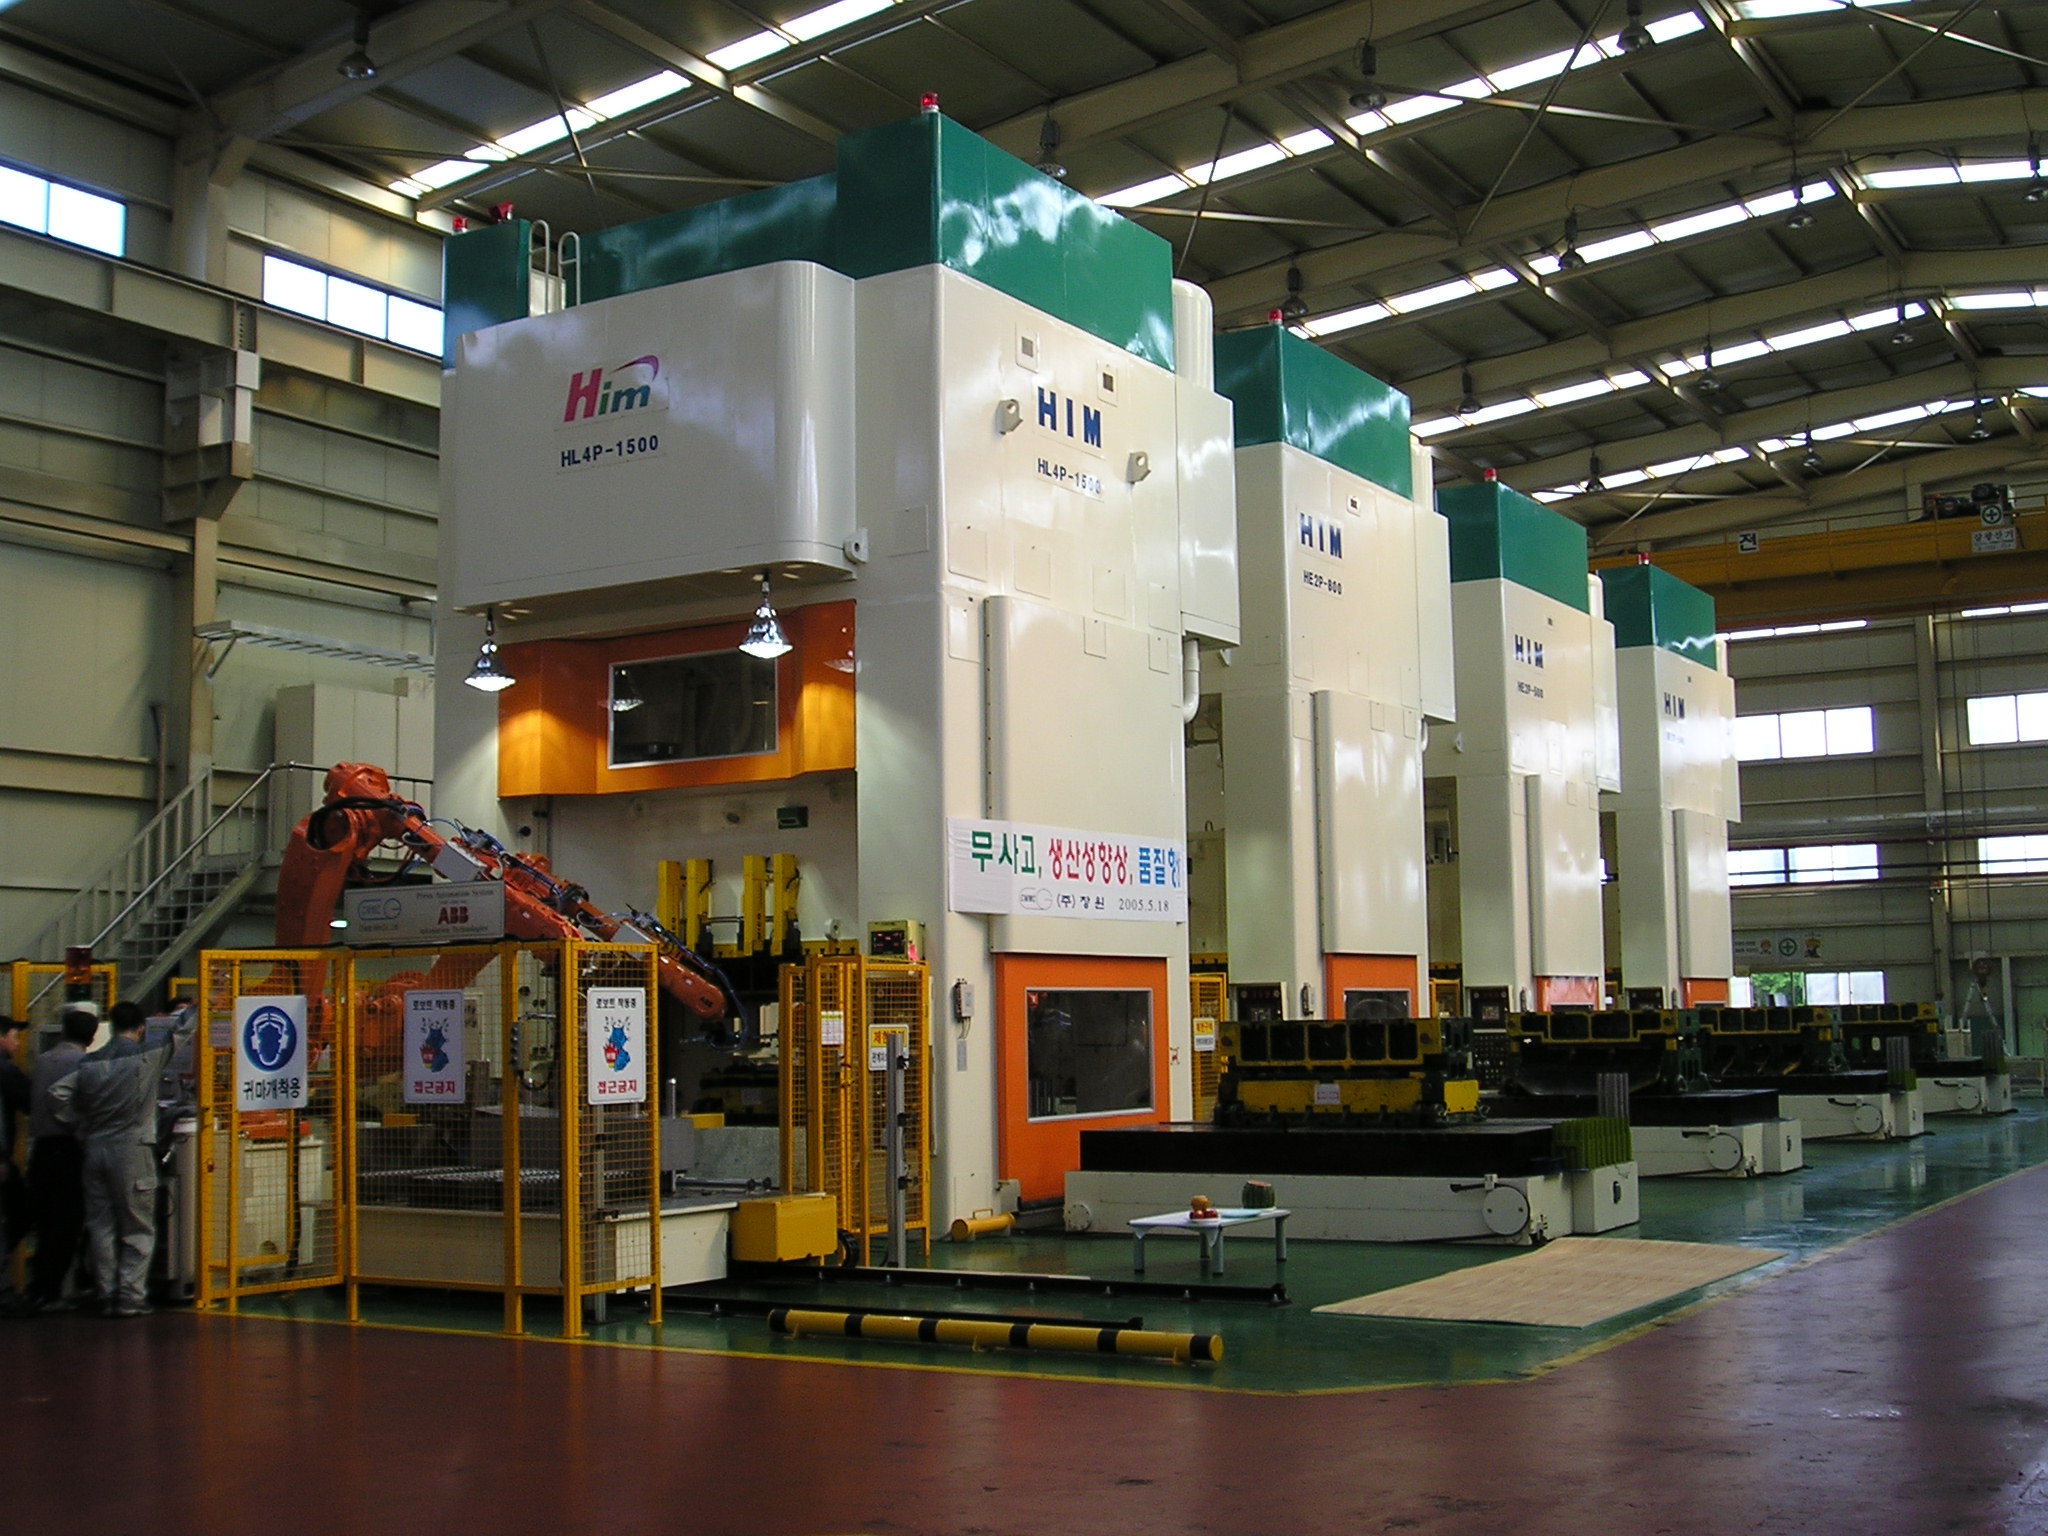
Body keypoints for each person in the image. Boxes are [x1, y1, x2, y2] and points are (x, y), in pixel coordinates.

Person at [49, 1002, 195, 1318]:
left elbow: (56, 1094)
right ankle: (130, 1296)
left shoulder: (90, 1062)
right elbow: (182, 1032)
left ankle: (106, 1293)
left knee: (101, 1225)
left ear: (113, 1026)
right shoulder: (147, 1056)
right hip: (132, 1150)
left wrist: (77, 1124)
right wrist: (201, 1004)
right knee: (137, 1226)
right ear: (141, 1028)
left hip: (95, 1149)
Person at [23, 1004, 97, 1312]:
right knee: (66, 1224)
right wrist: (80, 1127)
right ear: (91, 1038)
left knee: (44, 1221)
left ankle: (38, 1288)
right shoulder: (85, 1063)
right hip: (68, 1149)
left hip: (40, 1148)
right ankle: (52, 1293)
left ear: (63, 1031)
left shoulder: (42, 1060)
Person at [0, 1016, 27, 1306]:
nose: (18, 1044)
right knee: (14, 1216)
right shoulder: (5, 1071)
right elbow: (31, 1100)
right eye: (14, 1036)